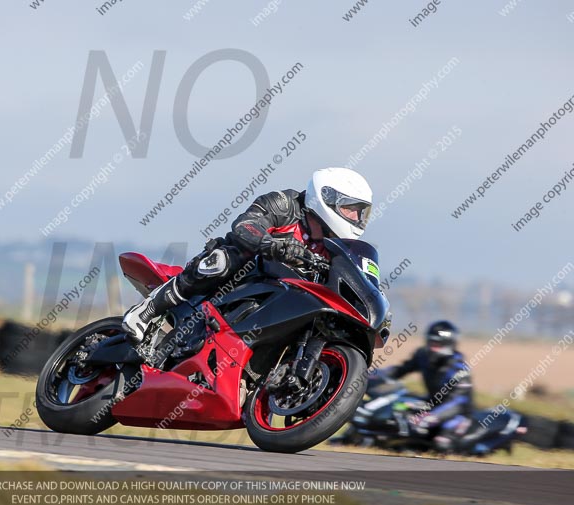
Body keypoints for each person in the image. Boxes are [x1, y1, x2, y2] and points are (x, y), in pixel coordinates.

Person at [122, 167, 374, 342]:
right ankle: (148, 309)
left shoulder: (335, 247)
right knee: (225, 260)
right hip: (244, 273)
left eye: (361, 212)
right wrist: (275, 245)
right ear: (326, 198)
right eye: (350, 209)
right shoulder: (284, 203)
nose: (356, 218)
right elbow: (244, 227)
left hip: (279, 297)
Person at [385, 320, 474, 451]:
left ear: (448, 344)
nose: (433, 347)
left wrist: (430, 417)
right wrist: (376, 375)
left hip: (456, 414)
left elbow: (458, 402)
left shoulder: (458, 368)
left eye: (437, 344)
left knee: (442, 444)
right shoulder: (422, 356)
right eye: (431, 342)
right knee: (397, 407)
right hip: (431, 404)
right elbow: (400, 370)